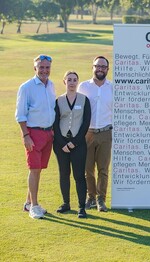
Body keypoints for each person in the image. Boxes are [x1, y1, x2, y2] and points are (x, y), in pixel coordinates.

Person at [15, 54, 56, 219]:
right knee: (34, 169)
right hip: (33, 133)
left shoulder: (51, 85)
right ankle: (34, 206)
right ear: (35, 68)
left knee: (38, 169)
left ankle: (28, 203)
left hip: (48, 133)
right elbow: (20, 115)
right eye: (41, 67)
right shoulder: (26, 87)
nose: (44, 70)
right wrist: (26, 135)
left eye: (47, 67)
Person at [53, 71, 91, 218]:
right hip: (60, 144)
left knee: (79, 175)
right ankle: (66, 203)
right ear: (64, 82)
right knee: (64, 174)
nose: (72, 82)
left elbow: (86, 123)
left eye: (75, 80)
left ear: (78, 82)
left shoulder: (84, 100)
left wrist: (74, 142)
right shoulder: (58, 101)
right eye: (69, 80)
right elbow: (55, 124)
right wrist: (62, 143)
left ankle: (82, 207)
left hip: (78, 144)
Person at [78, 56, 113, 212]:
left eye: (103, 66)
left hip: (106, 132)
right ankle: (90, 197)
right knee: (87, 168)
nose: (100, 69)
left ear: (107, 69)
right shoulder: (84, 86)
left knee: (103, 169)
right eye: (97, 66)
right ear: (92, 67)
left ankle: (101, 199)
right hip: (87, 133)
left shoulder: (113, 87)